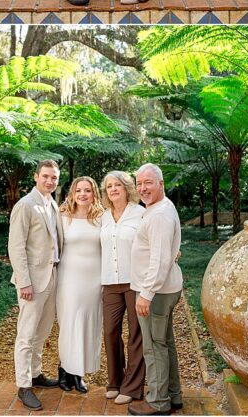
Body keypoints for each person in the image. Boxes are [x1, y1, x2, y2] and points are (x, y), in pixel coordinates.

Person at [9, 160, 64, 412]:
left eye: (54, 177)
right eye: (46, 176)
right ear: (36, 177)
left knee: (42, 332)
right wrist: (24, 282)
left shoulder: (52, 204)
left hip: (52, 276)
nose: (50, 181)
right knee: (27, 334)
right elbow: (16, 247)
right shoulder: (25, 205)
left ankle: (35, 374)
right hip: (32, 280)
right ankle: (23, 386)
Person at [129, 164, 183, 416]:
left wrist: (146, 293)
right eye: (139, 183)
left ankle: (158, 402)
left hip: (157, 292)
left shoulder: (159, 214)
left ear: (161, 183)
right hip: (164, 288)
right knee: (164, 342)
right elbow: (164, 252)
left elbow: (159, 260)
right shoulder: (159, 208)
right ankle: (173, 396)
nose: (143, 188)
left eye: (148, 182)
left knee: (153, 345)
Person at [99, 170, 147, 406]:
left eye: (117, 185)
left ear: (127, 188)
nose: (114, 189)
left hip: (134, 281)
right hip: (109, 281)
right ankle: (115, 382)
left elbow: (154, 238)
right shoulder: (104, 216)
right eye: (109, 186)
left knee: (136, 333)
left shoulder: (140, 214)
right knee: (110, 331)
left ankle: (132, 386)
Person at [56, 176, 103, 395]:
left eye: (87, 191)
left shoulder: (102, 217)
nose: (83, 195)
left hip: (94, 280)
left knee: (87, 326)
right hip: (69, 278)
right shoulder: (63, 216)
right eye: (78, 191)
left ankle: (79, 373)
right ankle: (65, 370)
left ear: (94, 193)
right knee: (70, 324)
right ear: (72, 194)